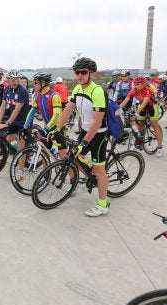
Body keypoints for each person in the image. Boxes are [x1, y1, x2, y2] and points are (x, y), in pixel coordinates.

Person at [53, 57, 109, 217]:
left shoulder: (97, 91)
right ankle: (88, 176)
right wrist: (56, 129)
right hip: (85, 130)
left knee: (99, 170)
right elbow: (67, 110)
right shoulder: (77, 89)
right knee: (75, 157)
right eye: (77, 72)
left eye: (83, 72)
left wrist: (84, 143)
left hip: (98, 133)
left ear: (92, 74)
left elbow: (97, 122)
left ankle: (103, 205)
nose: (79, 75)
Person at [119, 76, 164, 157]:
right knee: (140, 125)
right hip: (141, 107)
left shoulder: (148, 89)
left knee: (154, 125)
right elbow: (125, 101)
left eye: (141, 84)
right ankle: (139, 141)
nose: (139, 85)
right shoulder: (133, 91)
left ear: (144, 84)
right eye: (137, 84)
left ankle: (160, 147)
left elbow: (145, 102)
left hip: (151, 107)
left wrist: (137, 112)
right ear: (134, 84)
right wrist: (116, 110)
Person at [0, 69, 31, 153]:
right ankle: (10, 153)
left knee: (21, 148)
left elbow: (17, 110)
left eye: (17, 80)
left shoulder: (23, 91)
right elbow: (3, 106)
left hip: (24, 121)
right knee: (8, 140)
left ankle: (21, 166)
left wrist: (7, 124)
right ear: (8, 80)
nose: (15, 82)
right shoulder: (7, 89)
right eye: (12, 80)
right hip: (14, 120)